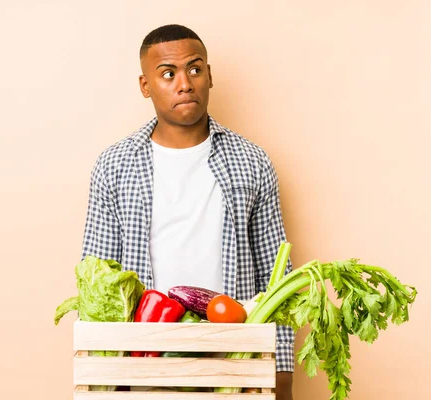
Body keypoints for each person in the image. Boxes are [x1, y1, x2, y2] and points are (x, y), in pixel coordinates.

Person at [81, 24, 294, 400]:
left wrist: (283, 373)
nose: (184, 83)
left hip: (233, 360)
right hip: (143, 362)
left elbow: (277, 280)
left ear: (209, 76)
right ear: (146, 86)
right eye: (168, 74)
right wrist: (97, 371)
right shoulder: (114, 165)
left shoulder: (251, 161)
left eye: (195, 69)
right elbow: (95, 279)